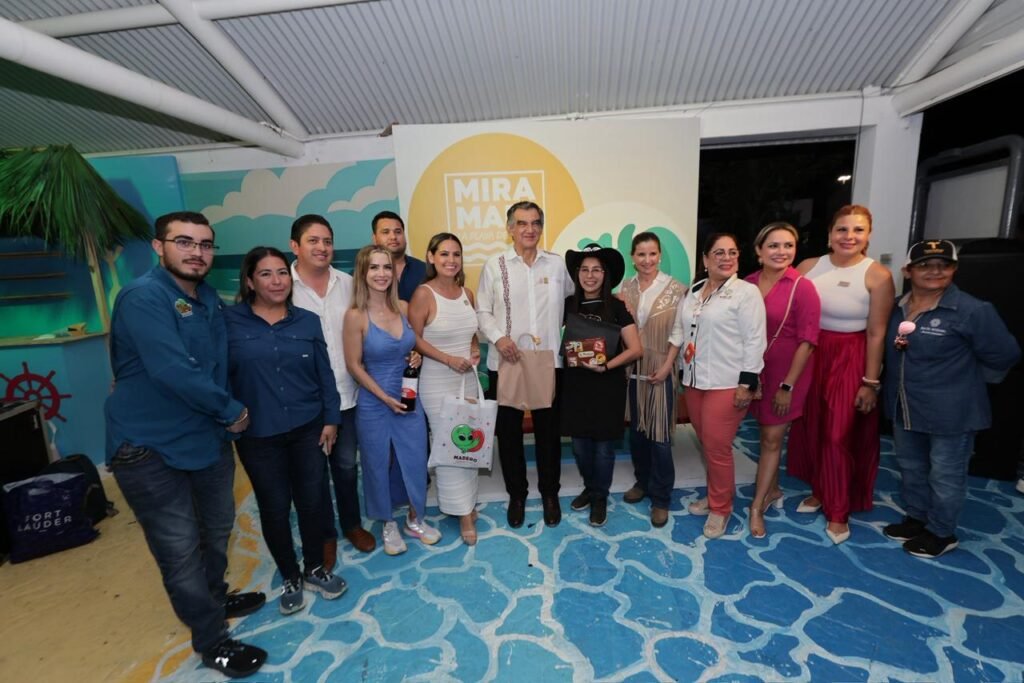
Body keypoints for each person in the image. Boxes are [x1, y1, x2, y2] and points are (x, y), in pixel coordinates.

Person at [105, 211, 266, 679]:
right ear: (159, 246)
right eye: (184, 242)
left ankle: (213, 598)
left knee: (216, 530)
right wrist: (233, 411)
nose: (196, 252)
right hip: (149, 447)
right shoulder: (143, 297)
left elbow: (218, 364)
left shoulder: (208, 298)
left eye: (205, 244)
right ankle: (212, 640)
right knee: (179, 548)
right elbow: (172, 371)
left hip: (206, 438)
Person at [226, 246, 348, 615]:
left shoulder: (307, 321)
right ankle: (290, 575)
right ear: (250, 281)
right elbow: (218, 375)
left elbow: (325, 374)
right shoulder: (228, 322)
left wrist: (331, 419)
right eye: (266, 274)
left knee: (312, 502)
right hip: (258, 435)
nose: (277, 281)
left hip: (308, 428)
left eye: (282, 273)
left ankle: (314, 568)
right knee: (275, 507)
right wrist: (229, 412)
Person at [882, 240, 1020, 558]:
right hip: (906, 405)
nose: (935, 271)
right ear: (908, 271)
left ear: (954, 269)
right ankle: (917, 517)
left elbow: (1005, 354)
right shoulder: (897, 307)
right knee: (911, 467)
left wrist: (964, 383)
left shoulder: (973, 310)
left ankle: (941, 532)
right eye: (925, 265)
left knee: (945, 474)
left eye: (943, 265)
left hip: (951, 412)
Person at [788, 204, 895, 544]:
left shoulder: (878, 275)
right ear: (830, 234)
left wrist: (870, 382)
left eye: (858, 230)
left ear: (868, 236)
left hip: (852, 356)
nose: (849, 236)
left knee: (839, 433)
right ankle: (820, 490)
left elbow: (877, 333)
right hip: (812, 353)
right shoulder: (808, 267)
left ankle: (839, 510)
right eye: (842, 229)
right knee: (813, 427)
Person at [476, 201, 574, 528]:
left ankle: (550, 494)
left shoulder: (557, 265)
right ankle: (516, 495)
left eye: (535, 223)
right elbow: (482, 312)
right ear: (510, 228)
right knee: (509, 434)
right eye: (521, 223)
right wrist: (497, 338)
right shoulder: (495, 266)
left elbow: (575, 300)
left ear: (541, 227)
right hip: (506, 360)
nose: (529, 229)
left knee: (548, 434)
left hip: (548, 361)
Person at [289, 214, 377, 556]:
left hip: (348, 395)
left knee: (346, 466)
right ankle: (325, 534)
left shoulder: (350, 284)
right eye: (313, 240)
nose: (322, 247)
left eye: (327, 241)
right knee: (312, 474)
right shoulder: (283, 288)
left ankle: (352, 525)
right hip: (305, 402)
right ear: (295, 246)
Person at [344, 245, 436, 554]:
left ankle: (414, 518)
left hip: (409, 399)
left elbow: (411, 346)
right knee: (377, 464)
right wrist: (384, 397)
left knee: (415, 459)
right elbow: (354, 365)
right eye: (374, 267)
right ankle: (387, 522)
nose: (381, 273)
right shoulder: (355, 316)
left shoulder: (404, 307)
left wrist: (414, 357)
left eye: (386, 267)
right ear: (362, 273)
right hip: (375, 403)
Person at [679, 233, 767, 539]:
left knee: (717, 447)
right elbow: (685, 332)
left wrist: (748, 382)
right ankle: (717, 494)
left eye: (732, 252)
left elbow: (755, 339)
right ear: (705, 259)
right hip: (694, 381)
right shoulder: (694, 291)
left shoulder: (746, 293)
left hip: (727, 382)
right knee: (708, 444)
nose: (726, 258)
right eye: (718, 252)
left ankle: (720, 509)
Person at [744, 223, 821, 538]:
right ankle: (772, 489)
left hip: (787, 375)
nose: (782, 252)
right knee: (763, 432)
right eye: (774, 245)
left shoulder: (802, 287)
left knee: (771, 439)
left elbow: (808, 341)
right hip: (754, 371)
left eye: (788, 245)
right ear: (759, 251)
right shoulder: (747, 284)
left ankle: (756, 506)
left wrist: (787, 385)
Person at [561, 244, 643, 527]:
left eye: (596, 270)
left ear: (605, 274)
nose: (590, 275)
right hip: (575, 386)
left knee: (604, 449)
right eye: (584, 269)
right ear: (577, 274)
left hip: (607, 386)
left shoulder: (617, 307)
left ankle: (599, 498)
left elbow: (636, 349)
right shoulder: (567, 305)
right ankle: (590, 487)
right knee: (580, 447)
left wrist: (606, 365)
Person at [408, 233, 482, 544]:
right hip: (437, 381)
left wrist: (474, 348)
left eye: (456, 254)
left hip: (467, 379)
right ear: (431, 257)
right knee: (450, 447)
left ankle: (468, 502)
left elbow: (472, 331)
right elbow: (413, 338)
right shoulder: (423, 294)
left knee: (470, 443)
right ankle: (462, 513)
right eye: (444, 254)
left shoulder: (467, 293)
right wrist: (448, 359)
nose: (451, 260)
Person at [618, 232, 687, 527]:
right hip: (632, 368)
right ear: (632, 257)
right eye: (641, 254)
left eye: (652, 254)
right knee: (637, 432)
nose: (647, 260)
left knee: (659, 437)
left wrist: (668, 366)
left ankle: (661, 498)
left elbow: (679, 332)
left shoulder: (677, 289)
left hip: (660, 367)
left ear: (660, 255)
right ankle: (642, 482)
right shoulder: (625, 288)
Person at [372, 210, 426, 302]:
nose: (393, 237)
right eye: (385, 232)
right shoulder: (363, 273)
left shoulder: (424, 270)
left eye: (398, 232)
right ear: (374, 238)